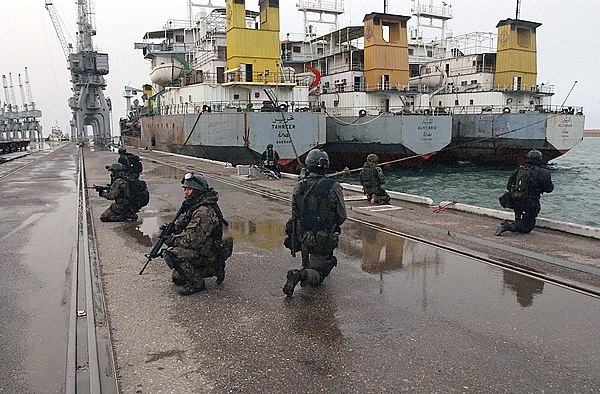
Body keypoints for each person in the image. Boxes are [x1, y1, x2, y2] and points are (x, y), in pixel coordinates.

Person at [283, 149, 347, 297]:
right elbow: (342, 216)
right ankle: (298, 275)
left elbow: (295, 212)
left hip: (303, 235)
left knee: (308, 264)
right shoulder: (333, 187)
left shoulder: (299, 186)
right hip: (323, 238)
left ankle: (305, 270)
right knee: (318, 276)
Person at [162, 172, 231, 296]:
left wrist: (171, 240)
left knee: (172, 254)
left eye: (189, 189)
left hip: (209, 254)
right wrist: (172, 228)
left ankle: (198, 284)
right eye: (185, 189)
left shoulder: (203, 212)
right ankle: (212, 269)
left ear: (197, 190)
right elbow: (183, 222)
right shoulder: (196, 205)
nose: (185, 192)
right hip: (206, 249)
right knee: (177, 278)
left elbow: (192, 241)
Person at [496, 149, 554, 236]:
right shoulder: (544, 173)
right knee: (527, 227)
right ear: (540, 159)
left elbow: (508, 187)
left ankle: (517, 220)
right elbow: (549, 189)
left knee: (521, 210)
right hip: (530, 203)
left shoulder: (518, 170)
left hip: (515, 201)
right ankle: (508, 226)